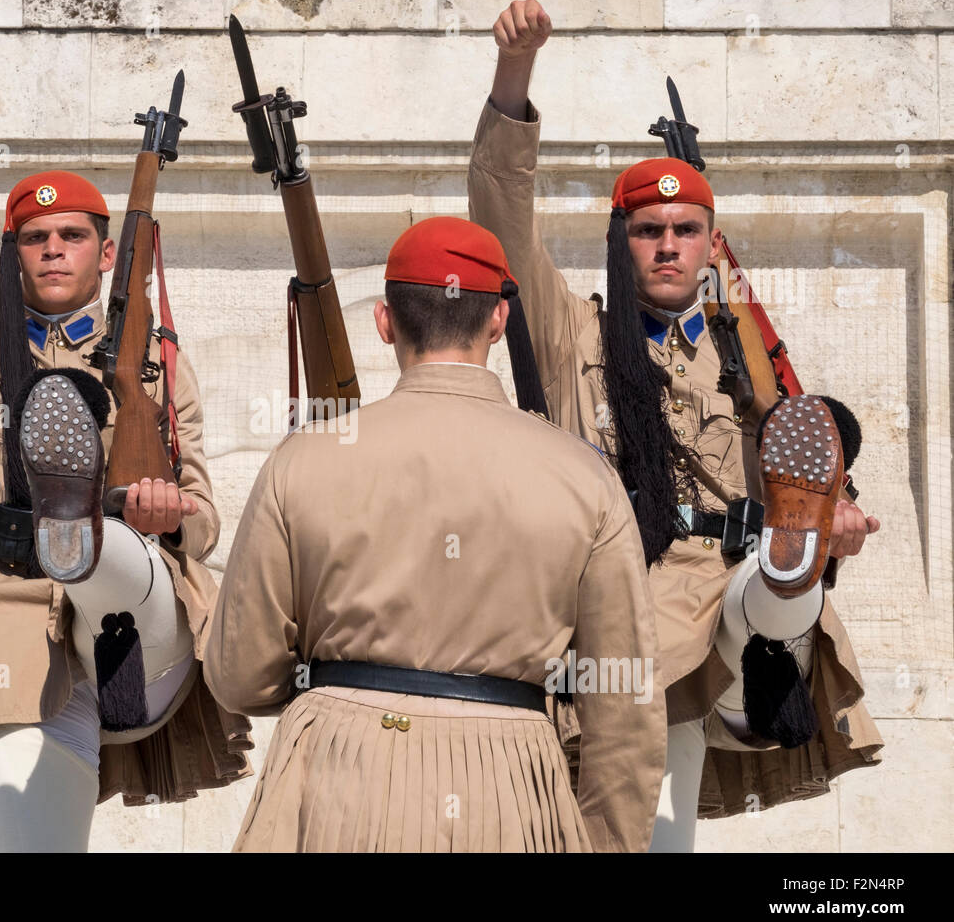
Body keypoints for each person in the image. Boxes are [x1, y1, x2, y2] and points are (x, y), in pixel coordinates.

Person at [468, 0, 884, 851]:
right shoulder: (573, 332)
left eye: (686, 231)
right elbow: (502, 219)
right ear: (623, 243)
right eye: (649, 230)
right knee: (656, 825)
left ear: (707, 243)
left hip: (727, 580)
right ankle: (783, 592)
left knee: (770, 570)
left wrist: (836, 518)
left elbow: (800, 439)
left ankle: (791, 574)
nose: (667, 245)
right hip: (626, 596)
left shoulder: (746, 354)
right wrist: (515, 77)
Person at [0, 0, 250, 851]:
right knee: (30, 842)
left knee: (117, 558)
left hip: (132, 627)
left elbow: (205, 510)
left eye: (72, 236)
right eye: (34, 238)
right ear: (13, 251)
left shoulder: (153, 363)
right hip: (0, 601)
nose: (52, 250)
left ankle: (86, 532)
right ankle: (67, 529)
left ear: (107, 253)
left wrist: (171, 515)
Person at [205, 216, 667, 852]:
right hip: (510, 785)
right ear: (499, 322)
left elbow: (239, 676)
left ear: (386, 322)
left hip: (338, 776)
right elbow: (623, 710)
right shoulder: (584, 476)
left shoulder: (302, 460)